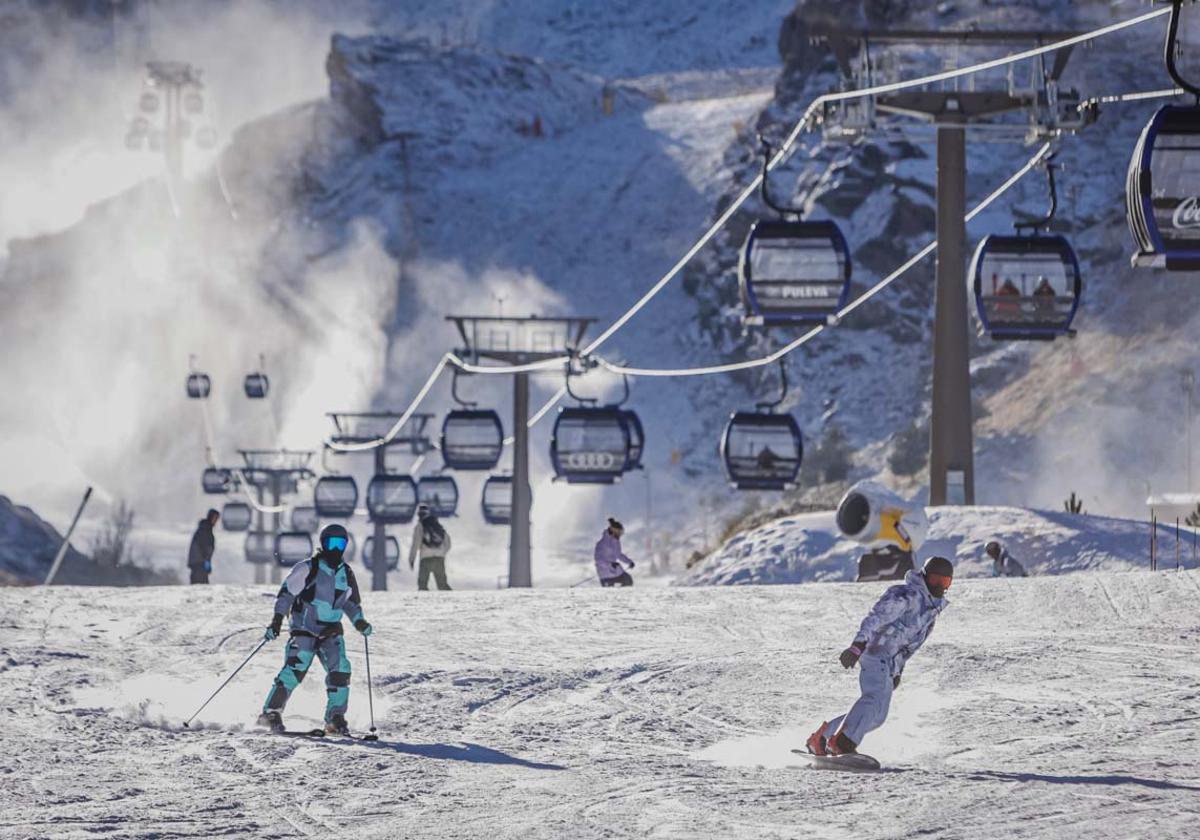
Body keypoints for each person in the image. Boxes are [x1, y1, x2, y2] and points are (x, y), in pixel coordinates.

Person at [806, 556, 953, 757]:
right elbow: (875, 618)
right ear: (925, 576)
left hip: (888, 663)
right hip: (875, 652)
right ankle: (842, 742)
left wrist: (897, 671)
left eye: (944, 582)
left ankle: (822, 739)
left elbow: (909, 647)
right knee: (873, 700)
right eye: (936, 580)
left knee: (877, 716)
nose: (939, 586)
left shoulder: (930, 612)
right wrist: (857, 645)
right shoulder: (906, 595)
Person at [257, 524, 372, 735]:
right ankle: (270, 712)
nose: (336, 549)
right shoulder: (308, 568)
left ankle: (335, 717)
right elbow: (286, 594)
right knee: (296, 667)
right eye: (331, 543)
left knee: (341, 670)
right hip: (305, 628)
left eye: (341, 544)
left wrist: (359, 621)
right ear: (323, 543)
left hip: (330, 631)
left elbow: (350, 603)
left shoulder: (345, 573)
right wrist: (277, 620)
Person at [408, 503, 452, 591]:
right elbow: (448, 543)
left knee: (422, 585)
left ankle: (423, 603)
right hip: (439, 558)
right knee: (442, 584)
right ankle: (453, 602)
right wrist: (441, 552)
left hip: (425, 558)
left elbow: (415, 544)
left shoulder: (419, 527)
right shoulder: (437, 525)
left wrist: (411, 559)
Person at [594, 517, 635, 587]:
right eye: (618, 532)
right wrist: (610, 564)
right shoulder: (602, 543)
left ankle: (622, 596)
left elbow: (619, 555)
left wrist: (629, 562)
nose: (620, 535)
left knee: (628, 580)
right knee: (609, 592)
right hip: (605, 574)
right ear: (613, 531)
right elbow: (598, 560)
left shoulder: (616, 542)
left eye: (621, 533)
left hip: (615, 572)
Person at [186, 509, 219, 584]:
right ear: (211, 517)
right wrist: (206, 560)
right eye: (215, 518)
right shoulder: (205, 530)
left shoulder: (205, 528)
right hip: (199, 564)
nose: (216, 521)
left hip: (199, 564)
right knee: (201, 588)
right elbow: (204, 547)